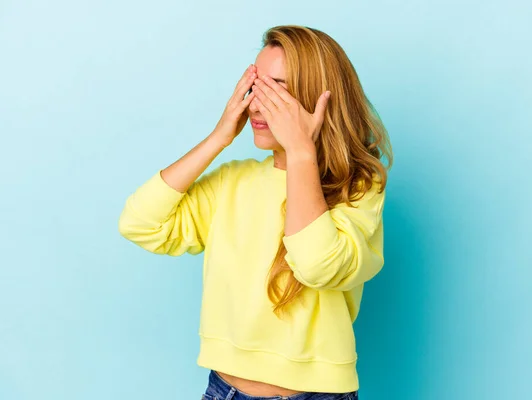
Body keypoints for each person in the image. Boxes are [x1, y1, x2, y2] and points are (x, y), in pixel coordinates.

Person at [118, 24, 393, 400]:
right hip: (225, 391)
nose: (258, 103)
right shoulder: (232, 181)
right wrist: (219, 138)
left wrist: (300, 153)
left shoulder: (359, 188)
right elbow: (139, 224)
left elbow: (318, 266)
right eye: (255, 86)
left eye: (278, 88)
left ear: (320, 96)